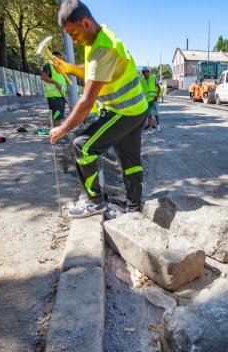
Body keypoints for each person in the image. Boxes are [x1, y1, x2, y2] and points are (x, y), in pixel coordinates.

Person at [49, 0, 148, 219]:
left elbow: (86, 102)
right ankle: (134, 210)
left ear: (85, 22)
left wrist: (62, 129)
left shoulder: (104, 48)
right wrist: (69, 68)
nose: (74, 41)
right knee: (130, 162)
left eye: (74, 34)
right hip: (136, 109)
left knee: (82, 147)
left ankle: (95, 203)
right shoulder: (96, 39)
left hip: (123, 111)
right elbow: (92, 70)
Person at [41, 51, 68, 127]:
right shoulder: (48, 66)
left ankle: (57, 132)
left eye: (61, 59)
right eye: (59, 59)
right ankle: (57, 134)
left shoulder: (58, 68)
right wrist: (56, 83)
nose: (60, 61)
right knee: (57, 115)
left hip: (60, 95)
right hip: (54, 96)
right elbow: (43, 77)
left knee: (58, 115)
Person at [140, 67, 161, 133]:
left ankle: (158, 126)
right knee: (149, 114)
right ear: (143, 73)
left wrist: (157, 96)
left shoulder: (153, 78)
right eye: (145, 72)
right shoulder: (141, 80)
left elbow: (159, 87)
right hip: (147, 100)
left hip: (154, 99)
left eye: (148, 71)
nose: (147, 73)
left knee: (156, 113)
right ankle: (150, 128)